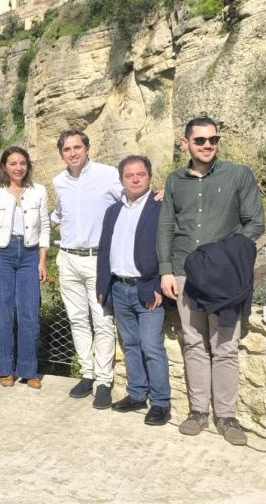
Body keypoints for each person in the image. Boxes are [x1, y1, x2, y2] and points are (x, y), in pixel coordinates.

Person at [158, 117, 264, 445]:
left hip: (223, 276)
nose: (207, 145)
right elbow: (166, 226)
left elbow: (255, 222)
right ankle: (198, 412)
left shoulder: (238, 175)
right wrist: (166, 270)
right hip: (184, 273)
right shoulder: (174, 181)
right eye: (200, 140)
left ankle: (227, 416)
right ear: (185, 143)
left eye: (213, 140)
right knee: (193, 343)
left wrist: (224, 254)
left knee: (225, 347)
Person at [50, 130, 123, 408]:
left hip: (97, 259)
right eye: (67, 149)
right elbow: (59, 214)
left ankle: (104, 381)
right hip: (68, 258)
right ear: (61, 154)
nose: (73, 153)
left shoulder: (108, 174)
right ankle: (87, 374)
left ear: (87, 148)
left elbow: (131, 199)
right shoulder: (59, 181)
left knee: (102, 321)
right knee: (77, 320)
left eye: (77, 147)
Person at [97, 155, 171, 426]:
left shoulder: (161, 207)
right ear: (121, 180)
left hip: (147, 288)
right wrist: (102, 285)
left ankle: (161, 403)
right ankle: (137, 394)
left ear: (150, 176)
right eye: (129, 176)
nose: (135, 179)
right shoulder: (113, 211)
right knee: (130, 344)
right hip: (119, 287)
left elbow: (169, 248)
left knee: (151, 346)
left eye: (141, 174)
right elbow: (104, 249)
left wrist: (159, 283)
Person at [0, 146, 49, 389]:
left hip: (30, 254)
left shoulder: (38, 191)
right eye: (12, 163)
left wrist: (42, 261)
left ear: (27, 165)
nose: (18, 167)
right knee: (2, 312)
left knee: (30, 313)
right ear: (4, 166)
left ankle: (29, 369)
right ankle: (4, 369)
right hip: (1, 253)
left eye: (22, 163)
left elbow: (44, 227)